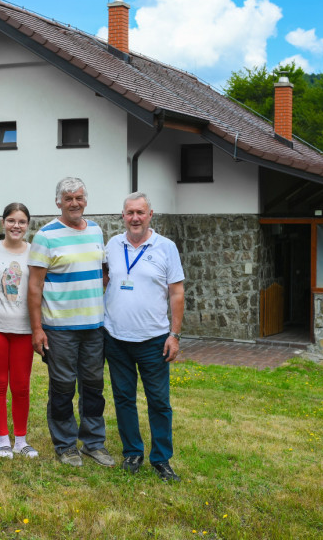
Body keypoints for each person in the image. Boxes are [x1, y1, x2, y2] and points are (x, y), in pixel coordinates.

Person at [27, 177, 114, 467]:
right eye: (68, 199)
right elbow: (35, 287)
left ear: (85, 200)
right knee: (63, 387)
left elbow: (102, 270)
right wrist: (37, 329)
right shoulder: (45, 236)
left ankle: (93, 443)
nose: (74, 203)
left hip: (93, 327)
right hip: (59, 329)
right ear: (58, 202)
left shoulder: (96, 231)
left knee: (93, 387)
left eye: (79, 198)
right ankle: (65, 445)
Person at [103, 192, 185, 481]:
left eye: (140, 212)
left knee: (159, 402)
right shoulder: (113, 245)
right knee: (124, 399)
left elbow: (177, 292)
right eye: (129, 213)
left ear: (151, 214)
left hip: (153, 340)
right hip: (116, 338)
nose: (135, 218)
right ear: (122, 216)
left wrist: (174, 334)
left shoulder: (166, 247)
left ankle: (161, 459)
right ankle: (132, 452)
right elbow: (106, 281)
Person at [0, 203, 39, 459]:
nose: (16, 226)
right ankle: (3, 439)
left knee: (21, 386)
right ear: (3, 222)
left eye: (21, 221)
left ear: (28, 225)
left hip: (24, 329)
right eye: (11, 220)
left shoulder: (35, 252)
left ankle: (21, 440)